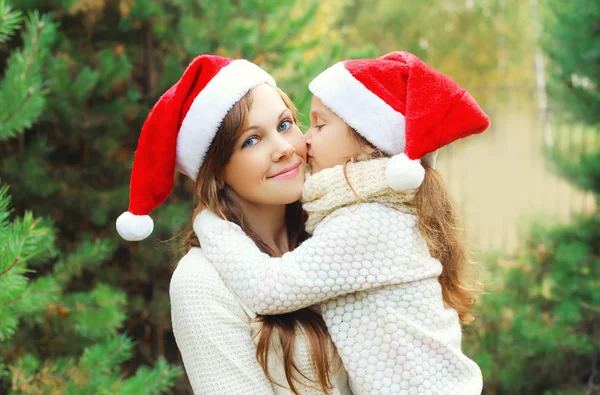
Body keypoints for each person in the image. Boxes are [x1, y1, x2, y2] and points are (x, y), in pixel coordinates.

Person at [193, 51, 490, 394]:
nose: (303, 140)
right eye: (251, 140)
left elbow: (268, 289)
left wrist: (211, 224)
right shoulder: (366, 213)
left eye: (317, 124)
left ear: (367, 140)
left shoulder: (365, 223)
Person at [115, 54, 351, 394]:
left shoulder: (336, 230)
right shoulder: (201, 282)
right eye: (251, 140)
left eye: (285, 124)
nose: (284, 148)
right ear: (218, 172)